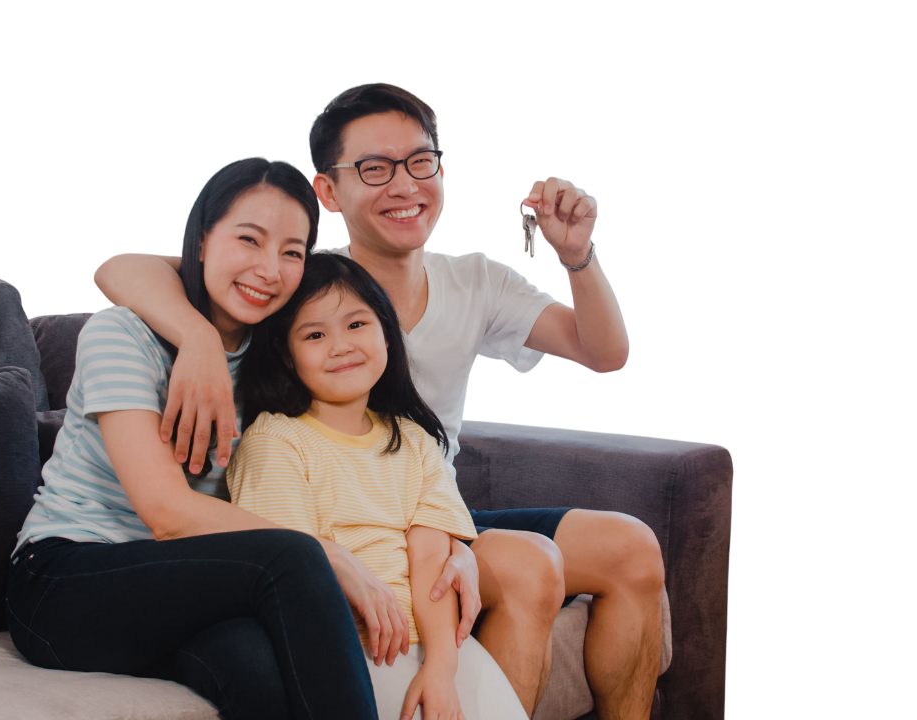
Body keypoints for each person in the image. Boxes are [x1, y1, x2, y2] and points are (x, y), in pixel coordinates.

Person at [93, 83, 666, 720]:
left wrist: (575, 254)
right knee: (531, 565)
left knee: (631, 547)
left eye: (421, 162)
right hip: (341, 519)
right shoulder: (297, 283)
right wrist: (196, 337)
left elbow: (605, 352)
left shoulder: (476, 279)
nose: (404, 185)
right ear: (328, 193)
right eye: (374, 168)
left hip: (426, 503)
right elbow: (123, 268)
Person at [6, 156, 381, 720]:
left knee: (255, 669)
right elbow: (166, 513)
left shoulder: (275, 354)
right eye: (249, 240)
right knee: (293, 556)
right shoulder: (121, 333)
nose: (269, 269)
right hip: (64, 579)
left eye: (292, 252)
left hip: (188, 581)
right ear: (202, 241)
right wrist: (331, 556)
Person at [227, 252, 528, 720]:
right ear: (287, 356)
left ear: (387, 332)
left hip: (432, 644)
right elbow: (291, 571)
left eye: (356, 325)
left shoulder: (413, 438)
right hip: (349, 652)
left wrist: (441, 668)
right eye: (314, 334)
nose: (340, 346)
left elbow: (431, 558)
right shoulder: (275, 441)